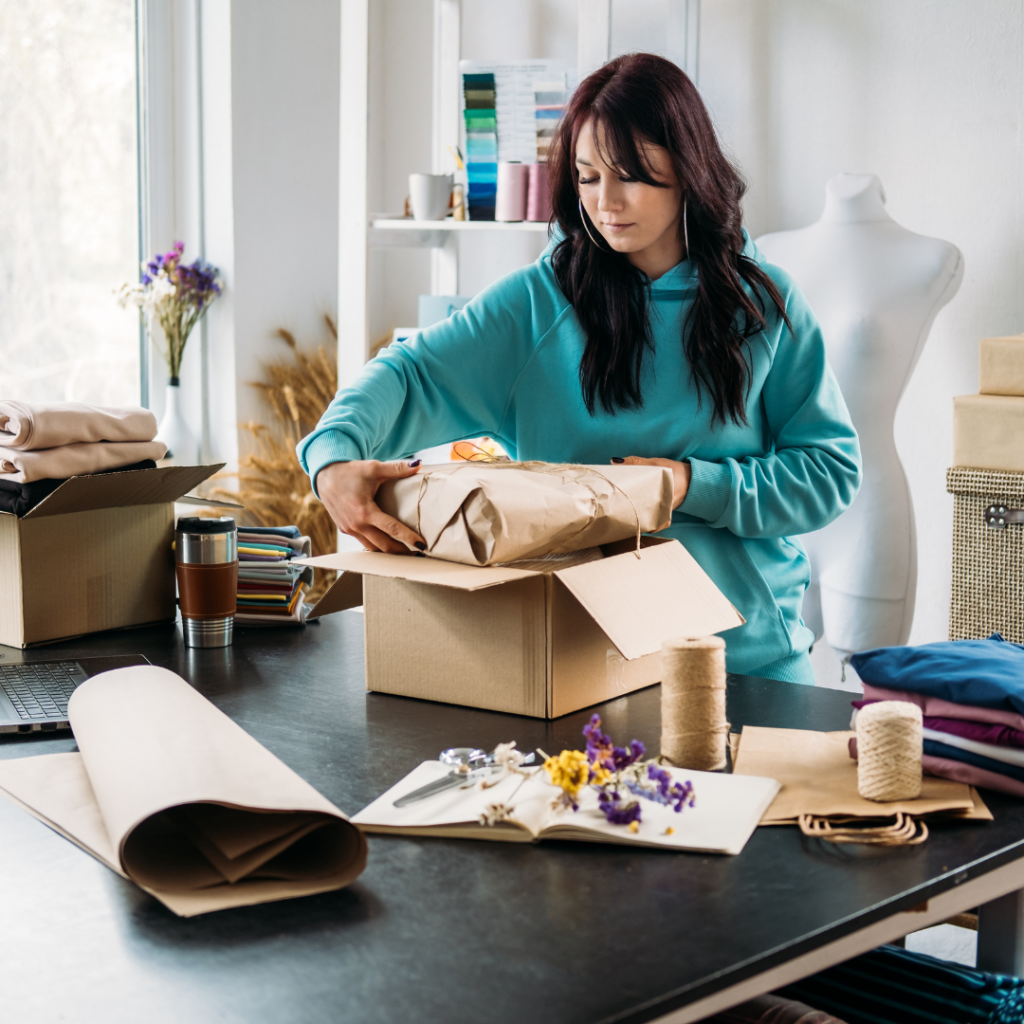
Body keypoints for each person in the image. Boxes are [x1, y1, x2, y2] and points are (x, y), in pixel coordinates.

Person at [297, 53, 862, 685]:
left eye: (631, 176)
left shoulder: (761, 306)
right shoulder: (541, 302)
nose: (605, 202)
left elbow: (829, 472)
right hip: (578, 664)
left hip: (748, 659)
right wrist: (333, 456)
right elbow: (411, 372)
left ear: (689, 169)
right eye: (587, 177)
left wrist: (686, 485)